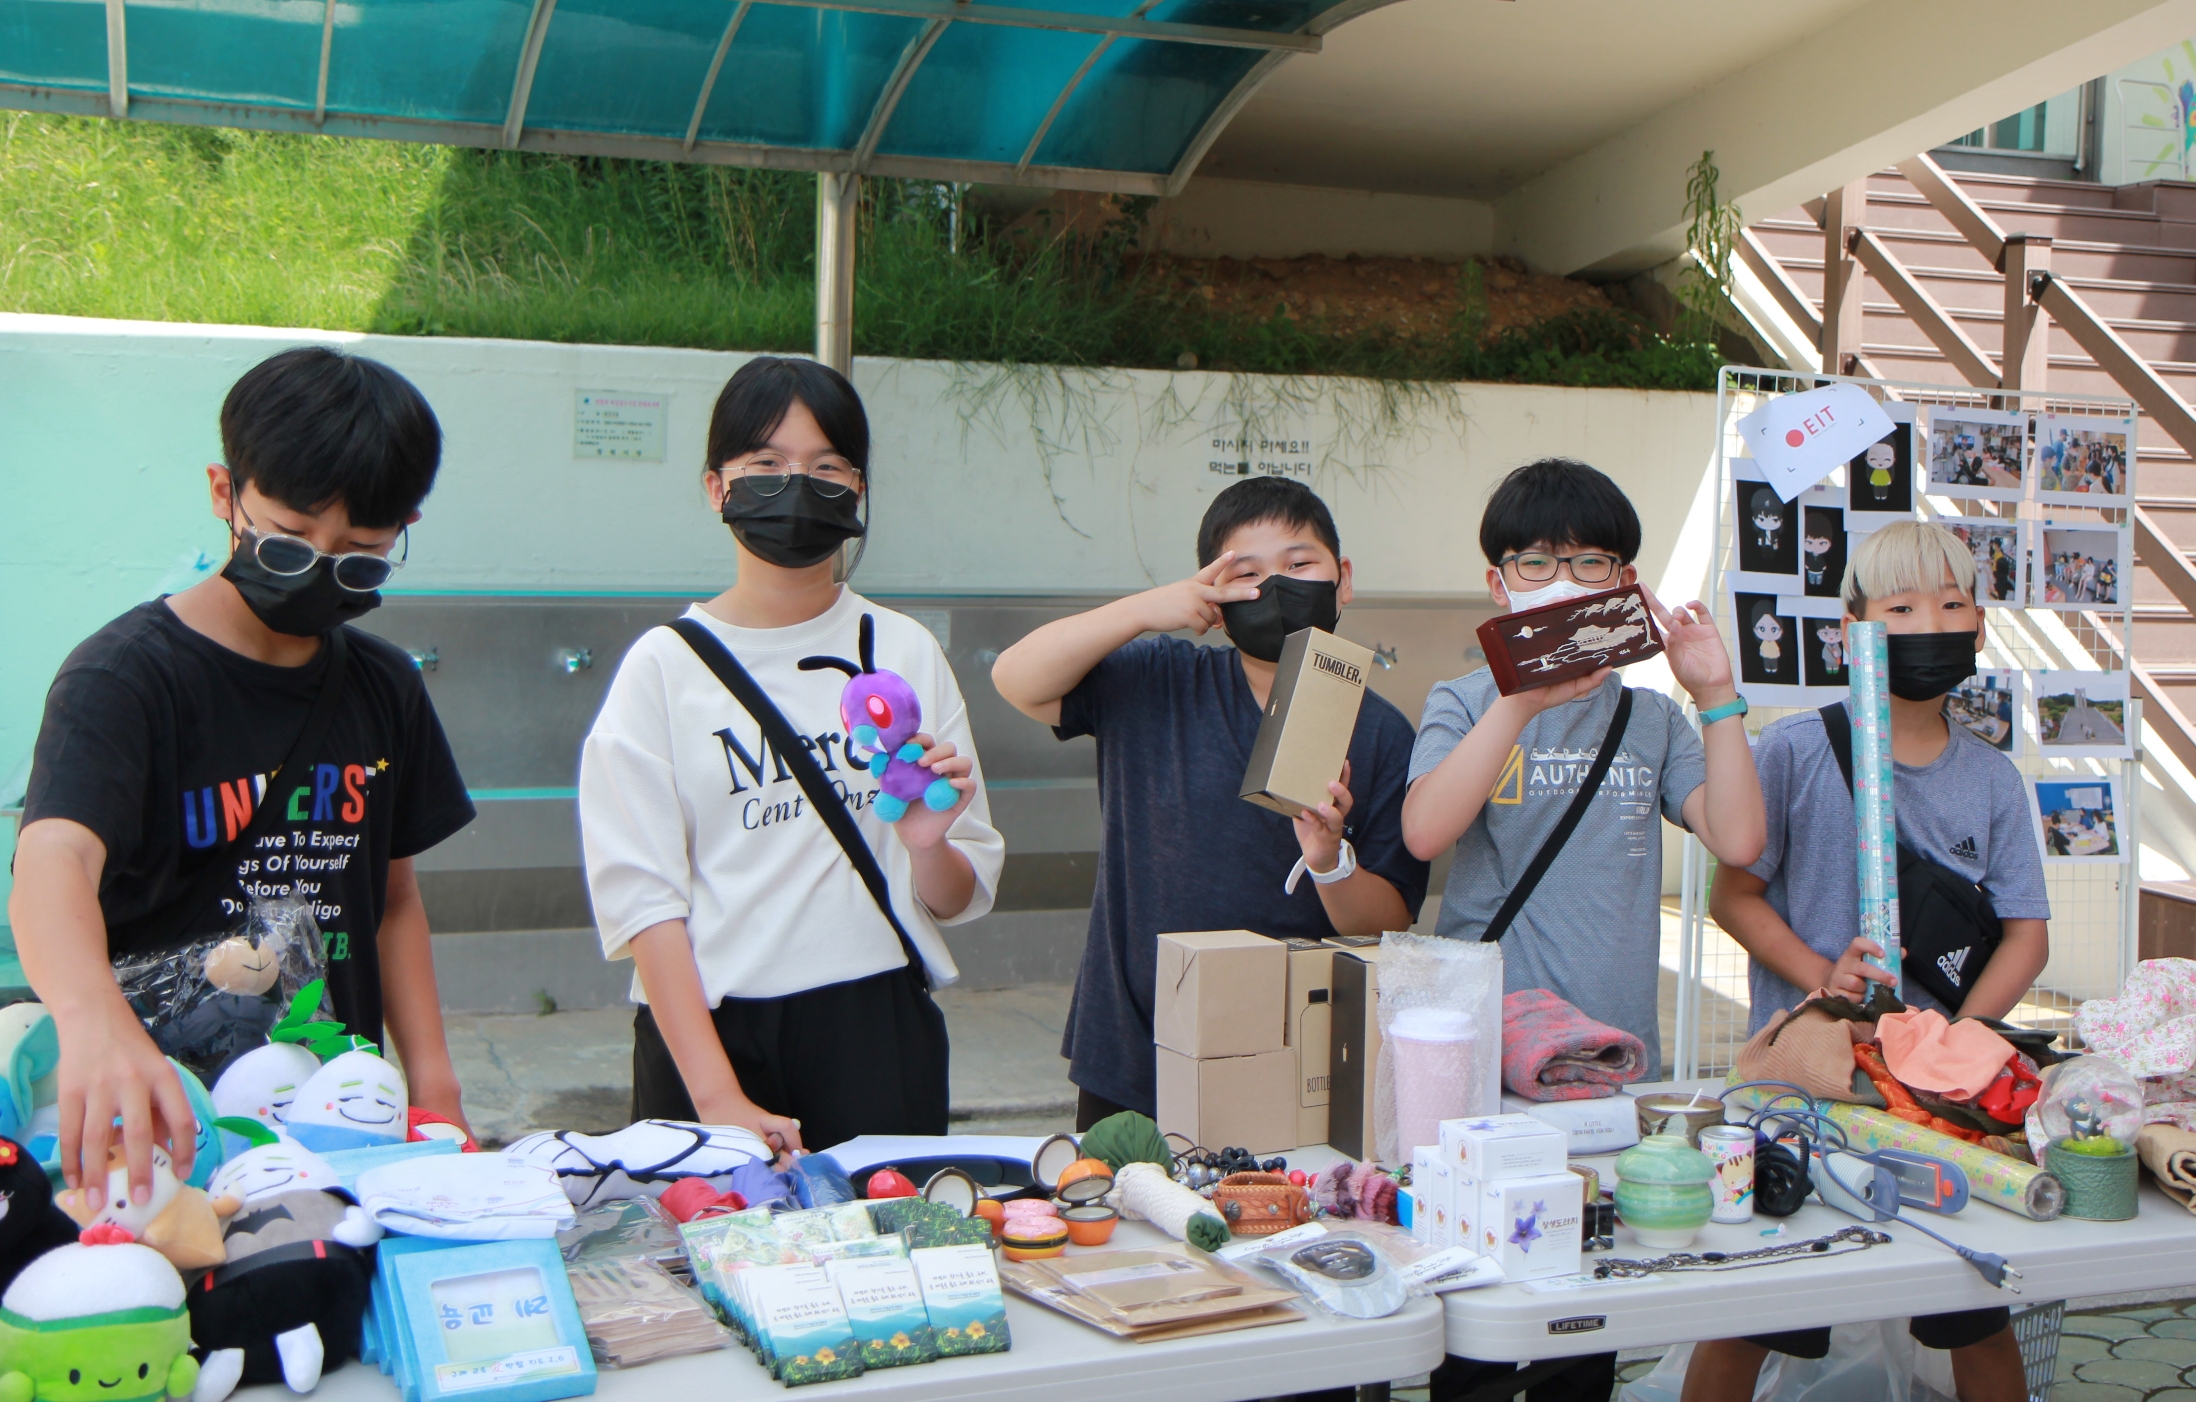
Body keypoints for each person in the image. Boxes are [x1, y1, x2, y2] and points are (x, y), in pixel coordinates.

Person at [14, 347, 475, 1209]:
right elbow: (52, 862)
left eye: (360, 559)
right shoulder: (126, 679)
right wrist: (91, 1023)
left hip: (335, 1118)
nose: (319, 573)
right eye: (291, 543)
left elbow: (394, 898)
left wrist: (433, 1081)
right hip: (157, 1125)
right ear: (225, 493)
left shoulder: (385, 687)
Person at [579, 357, 1000, 1155]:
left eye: (826, 466)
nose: (796, 485)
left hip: (876, 1029)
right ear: (716, 487)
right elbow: (646, 903)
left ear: (860, 490)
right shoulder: (663, 669)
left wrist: (928, 844)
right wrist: (716, 1094)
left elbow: (954, 895)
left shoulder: (902, 649)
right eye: (765, 464)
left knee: (888, 1266)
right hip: (710, 1036)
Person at [1690, 519, 2051, 1402]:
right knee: (1756, 1306)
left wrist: (1959, 1044)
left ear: (1978, 625)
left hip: (1935, 1105)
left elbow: (2027, 933)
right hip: (1805, 1086)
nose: (1929, 621)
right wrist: (1821, 975)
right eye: (1900, 606)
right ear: (1854, 623)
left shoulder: (1993, 778)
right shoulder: (1792, 751)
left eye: (1952, 603)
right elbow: (1731, 895)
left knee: (1976, 1310)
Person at [990, 476, 1426, 1127]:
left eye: (1300, 564)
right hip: (1135, 1053)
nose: (1276, 586)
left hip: (1296, 1059)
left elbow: (1386, 921)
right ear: (1214, 597)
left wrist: (1330, 859)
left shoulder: (1382, 730)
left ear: (1344, 579)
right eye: (1246, 574)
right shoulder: (1157, 677)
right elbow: (1014, 679)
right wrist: (1143, 609)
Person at [1403, 460, 1765, 1076]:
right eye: (1538, 563)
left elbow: (1740, 839)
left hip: (1617, 1049)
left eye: (1591, 562)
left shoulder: (1650, 717)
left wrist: (1714, 695)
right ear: (1500, 582)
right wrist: (1520, 700)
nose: (1565, 581)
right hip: (1493, 1042)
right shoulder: (1465, 700)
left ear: (1624, 579)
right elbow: (1424, 834)